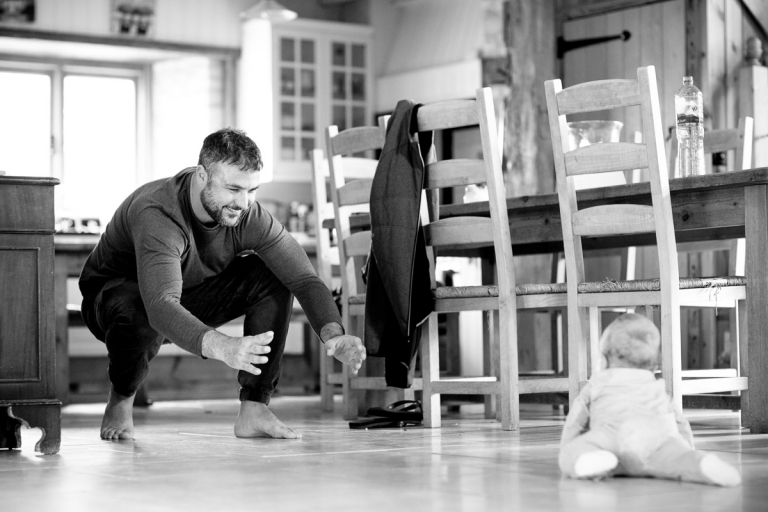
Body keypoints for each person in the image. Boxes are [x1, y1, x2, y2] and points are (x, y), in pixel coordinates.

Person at [79, 127, 366, 441]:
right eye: (233, 189)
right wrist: (224, 347)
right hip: (113, 300)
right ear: (202, 175)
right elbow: (160, 305)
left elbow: (304, 279)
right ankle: (121, 397)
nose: (243, 202)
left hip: (186, 295)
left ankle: (255, 407)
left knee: (270, 274)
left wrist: (332, 332)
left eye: (251, 190)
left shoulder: (247, 214)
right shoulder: (158, 212)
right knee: (137, 306)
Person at [558, 313, 741, 487]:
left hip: (613, 440)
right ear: (652, 365)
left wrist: (568, 447)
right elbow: (680, 423)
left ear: (604, 361)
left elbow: (575, 421)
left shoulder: (598, 382)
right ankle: (700, 463)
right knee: (679, 458)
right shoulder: (656, 385)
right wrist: (685, 450)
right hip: (658, 442)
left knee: (573, 453)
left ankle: (590, 460)